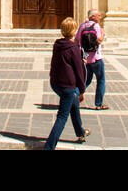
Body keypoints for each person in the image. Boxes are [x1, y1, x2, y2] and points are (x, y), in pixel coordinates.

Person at [43, 17, 90, 149]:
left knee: (74, 106)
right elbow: (79, 71)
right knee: (62, 117)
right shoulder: (74, 48)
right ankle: (49, 147)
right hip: (67, 86)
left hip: (56, 83)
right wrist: (81, 90)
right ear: (74, 31)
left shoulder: (58, 44)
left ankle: (80, 133)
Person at [78, 9, 107, 110]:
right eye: (98, 15)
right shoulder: (96, 26)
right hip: (96, 58)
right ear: (93, 17)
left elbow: (77, 40)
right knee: (101, 80)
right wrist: (103, 33)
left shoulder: (82, 26)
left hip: (85, 59)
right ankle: (99, 104)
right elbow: (99, 40)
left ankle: (74, 96)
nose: (100, 17)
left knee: (86, 80)